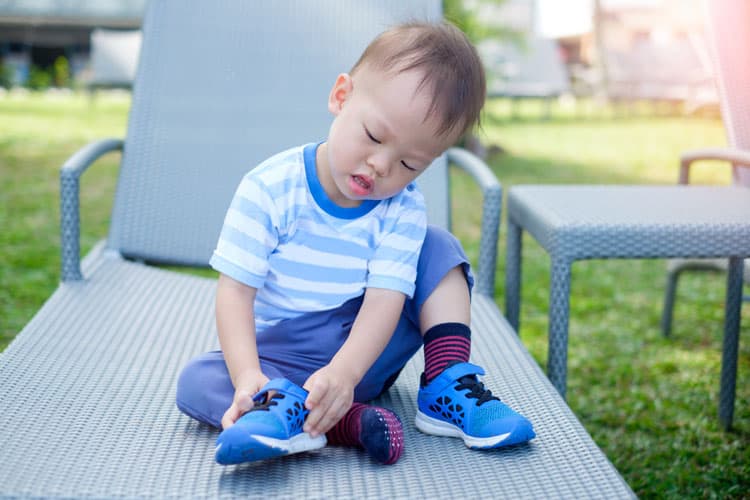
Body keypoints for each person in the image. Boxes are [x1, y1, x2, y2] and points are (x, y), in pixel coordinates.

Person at [176, 21, 535, 467]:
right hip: (285, 358)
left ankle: (445, 383)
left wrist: (347, 372)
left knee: (438, 248)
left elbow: (387, 299)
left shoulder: (401, 208)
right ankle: (333, 420)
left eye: (409, 163)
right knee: (198, 380)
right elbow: (235, 291)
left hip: (367, 350)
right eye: (374, 136)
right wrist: (250, 375)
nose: (382, 165)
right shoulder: (271, 188)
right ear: (341, 97)